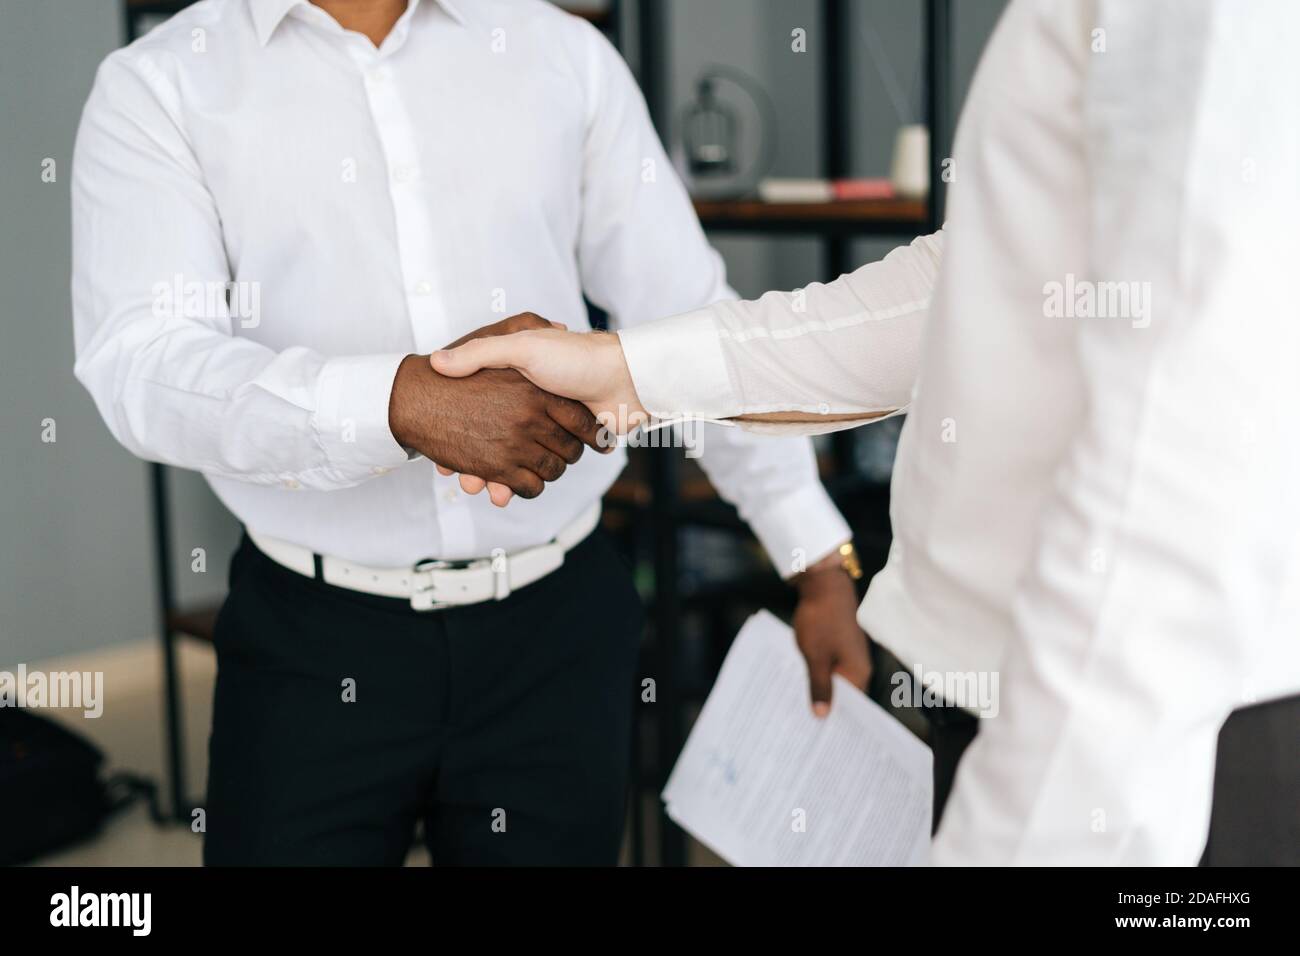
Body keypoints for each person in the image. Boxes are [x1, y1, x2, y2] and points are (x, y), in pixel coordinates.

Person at [430, 0, 1300, 864]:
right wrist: (628, 371)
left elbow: (1174, 476)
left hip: (1138, 749)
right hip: (1040, 712)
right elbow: (972, 286)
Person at [71, 0, 866, 866]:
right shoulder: (160, 81)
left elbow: (687, 319)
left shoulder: (563, 54)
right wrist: (398, 402)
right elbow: (143, 365)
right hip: (313, 643)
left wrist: (816, 561)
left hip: (558, 632)